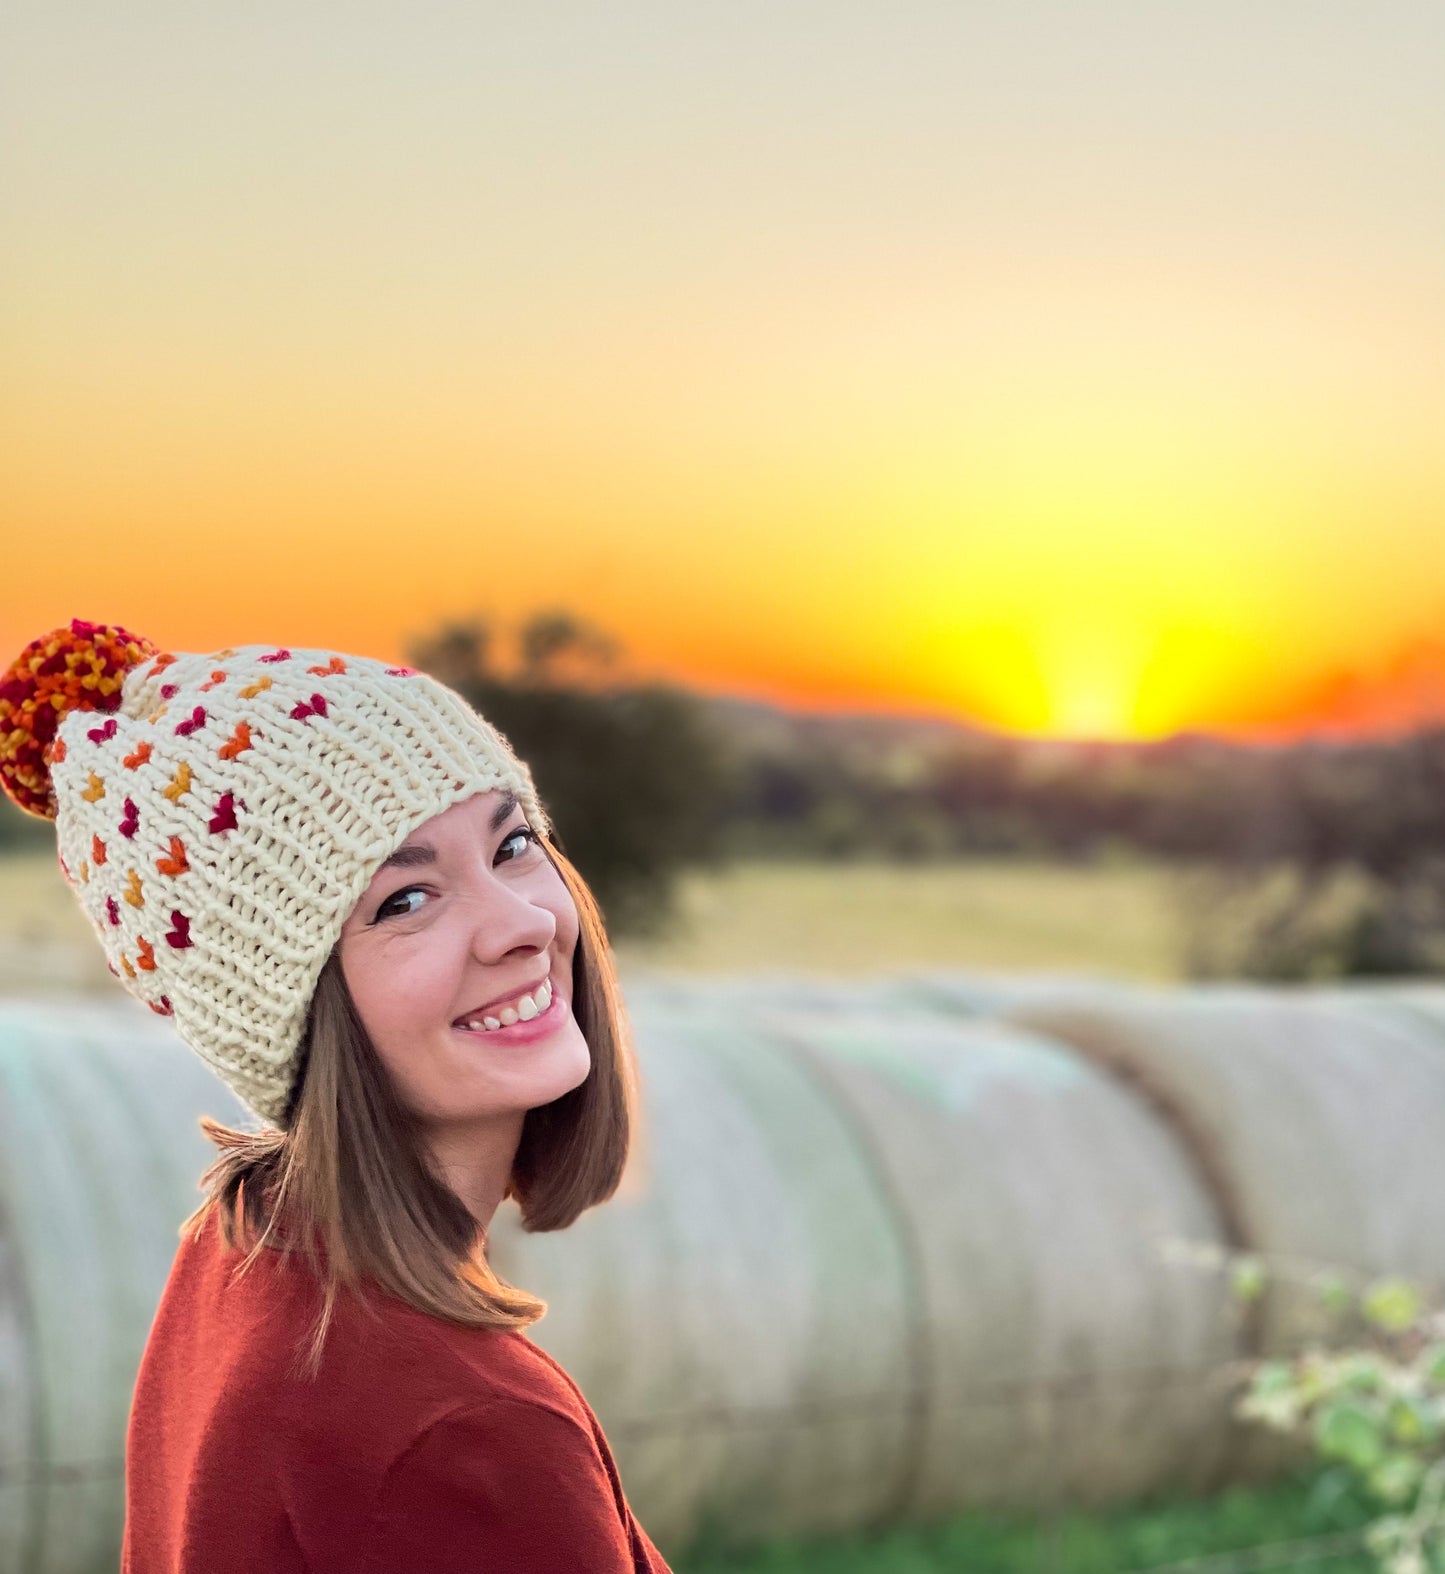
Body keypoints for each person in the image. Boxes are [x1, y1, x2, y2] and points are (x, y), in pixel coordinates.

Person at [0, 618, 673, 1573]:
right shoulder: (464, 1431)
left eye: (513, 844)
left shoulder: (243, 1250)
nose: (521, 922)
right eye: (405, 900)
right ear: (287, 1010)